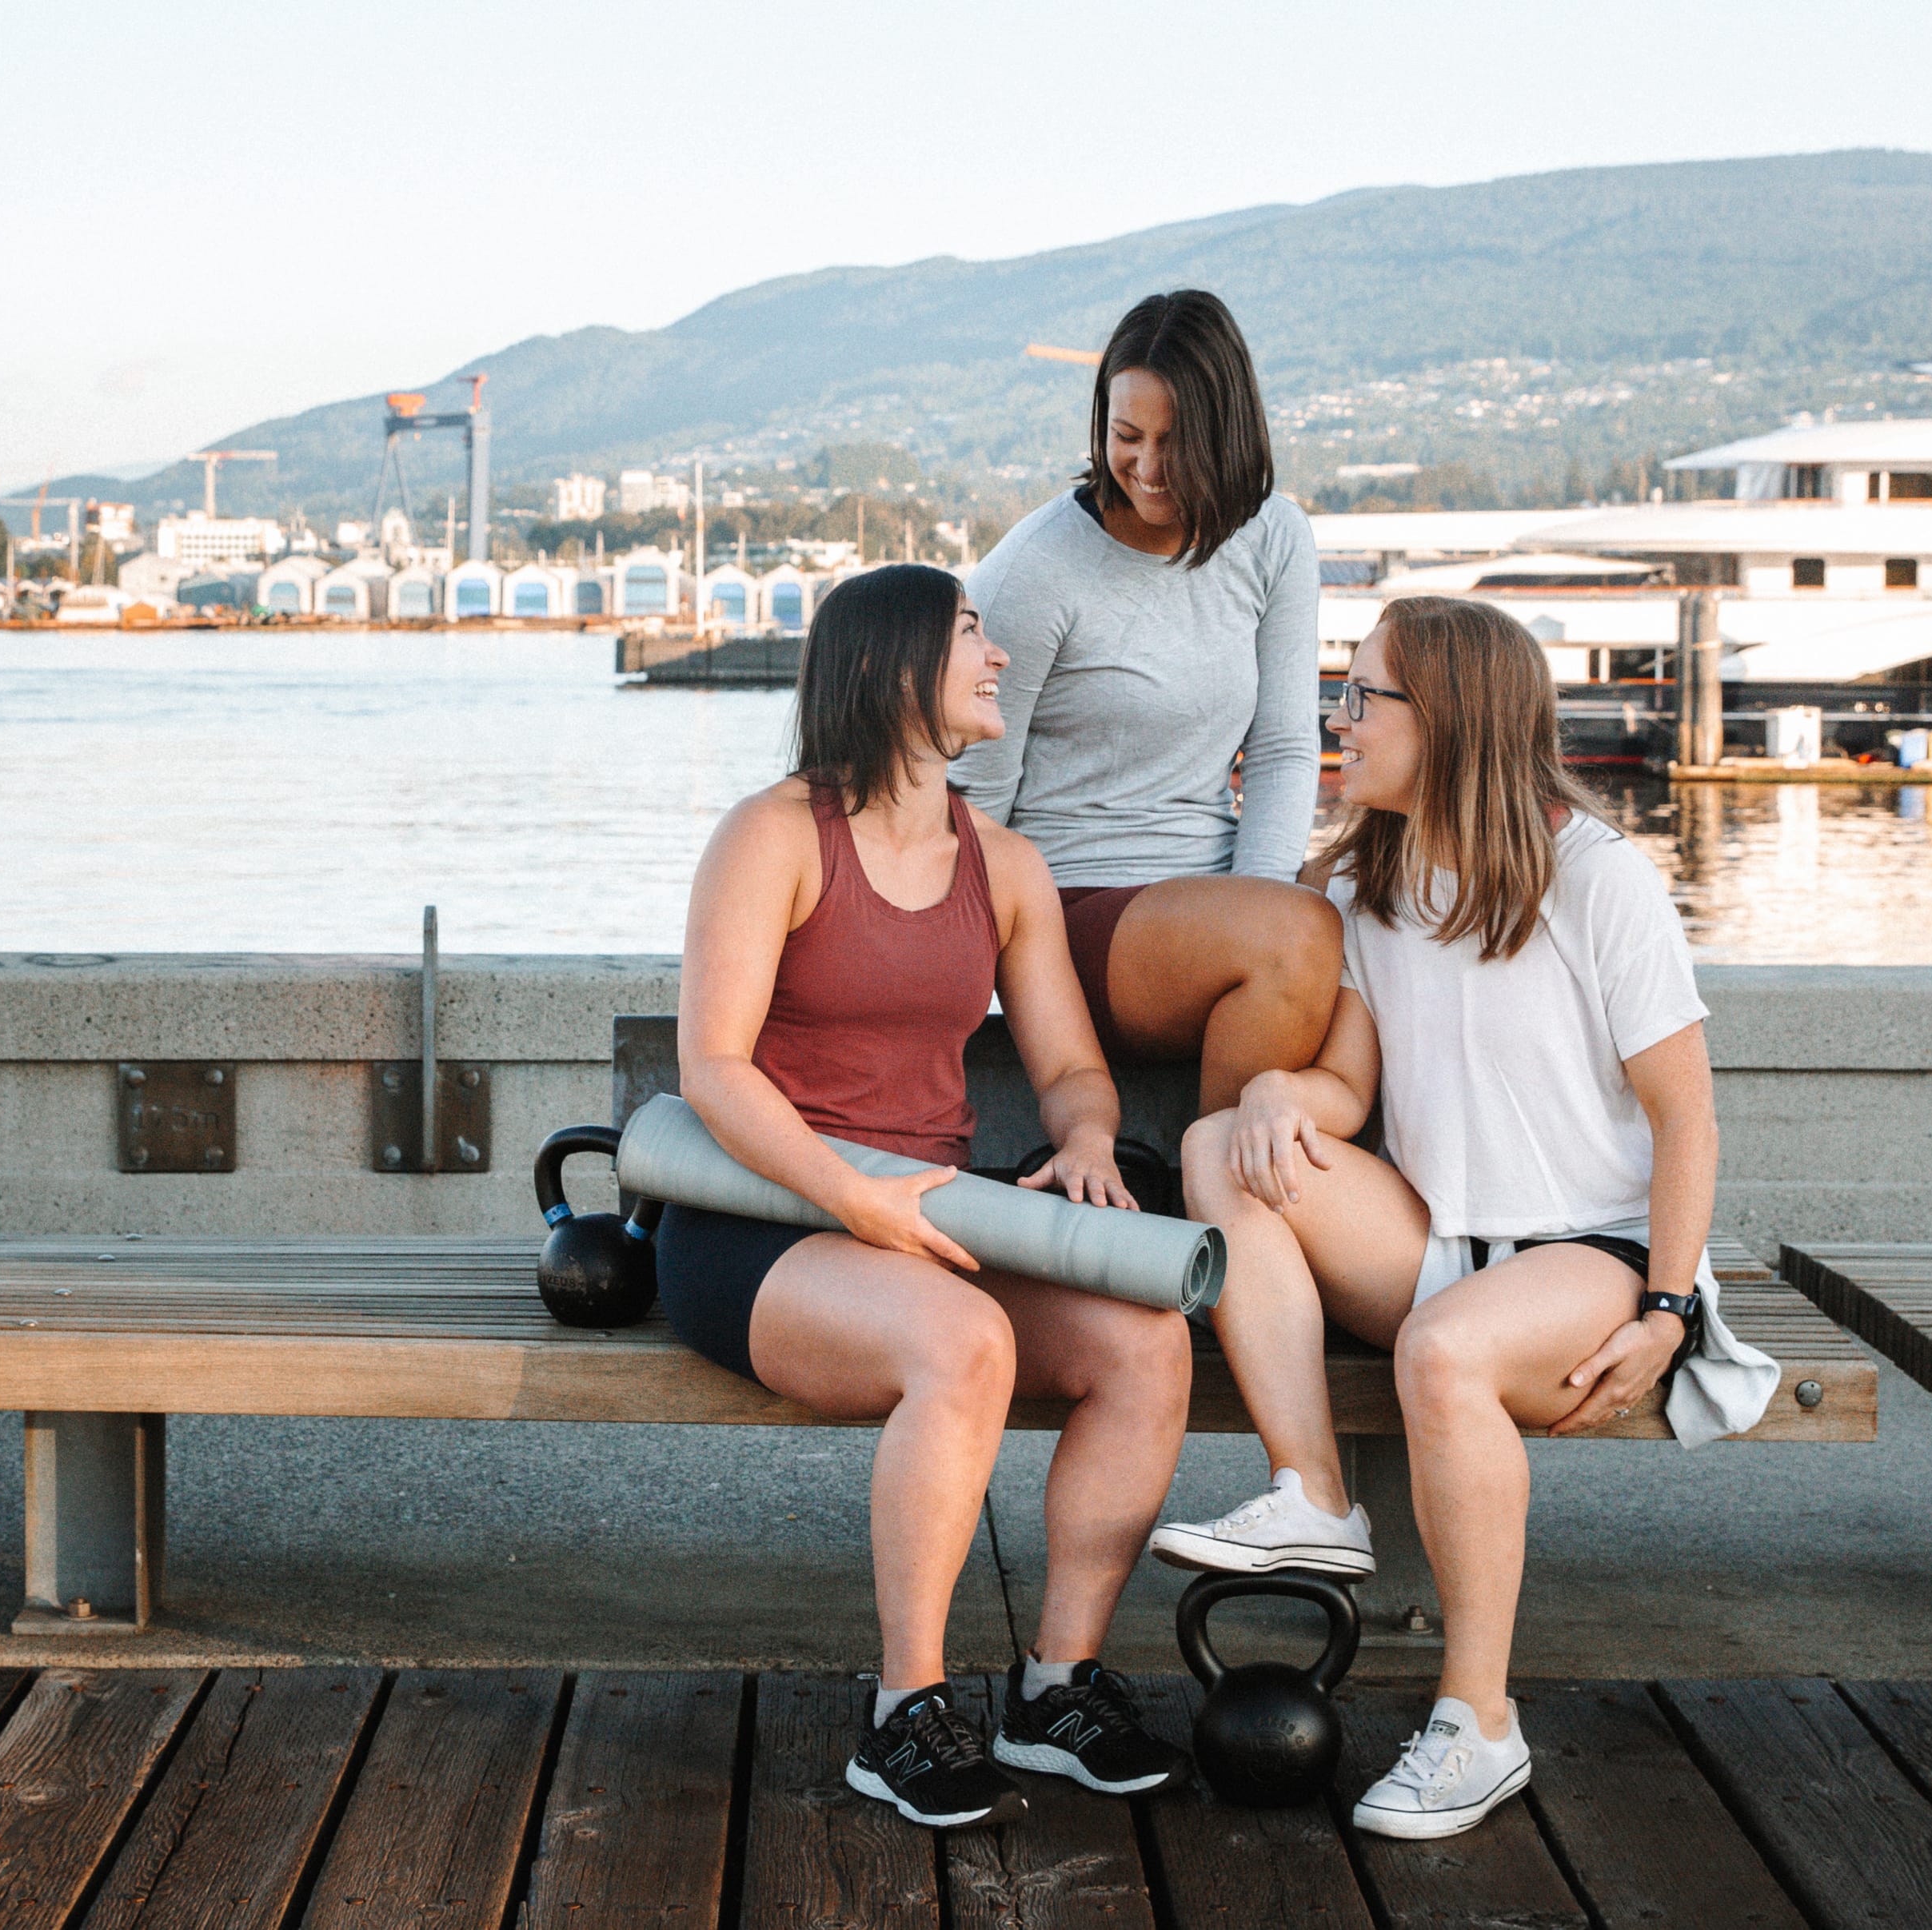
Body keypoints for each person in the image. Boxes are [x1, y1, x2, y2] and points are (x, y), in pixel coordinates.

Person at [1148, 596, 1777, 1840]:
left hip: (1589, 1256)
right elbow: (1350, 1087)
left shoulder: (1597, 879)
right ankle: (1315, 1493)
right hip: (1437, 1245)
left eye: (1362, 696)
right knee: (1220, 1145)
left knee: (1445, 1352)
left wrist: (1663, 1307)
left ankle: (1478, 1723)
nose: (1340, 718)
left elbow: (1688, 1119)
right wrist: (1283, 1090)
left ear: (1446, 718)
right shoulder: (1369, 886)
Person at [663, 563, 1196, 1831]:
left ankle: (1054, 1689)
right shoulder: (776, 834)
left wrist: (1086, 1142)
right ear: (892, 661)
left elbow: (1070, 1065)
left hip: (929, 1214)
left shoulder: (1004, 864)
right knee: (964, 1342)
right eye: (970, 630)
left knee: (1146, 1342)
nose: (999, 653)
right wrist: (851, 1196)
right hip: (760, 1222)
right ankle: (905, 1709)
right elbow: (714, 1069)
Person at [952, 289, 1339, 1117]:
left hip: (1217, 894)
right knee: (1297, 939)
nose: (1149, 465)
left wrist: (1257, 896)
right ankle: (1217, 1185)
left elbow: (1279, 748)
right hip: (1074, 912)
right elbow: (975, 795)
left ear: (1228, 433)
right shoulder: (1039, 570)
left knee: (1391, 887)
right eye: (1127, 437)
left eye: (1177, 441)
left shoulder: (1274, 537)